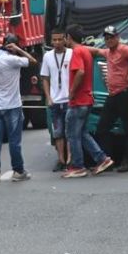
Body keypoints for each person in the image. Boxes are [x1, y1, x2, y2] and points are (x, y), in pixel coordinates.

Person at [82, 25, 128, 172]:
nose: (109, 40)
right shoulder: (108, 52)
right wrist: (77, 48)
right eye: (107, 38)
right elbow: (96, 51)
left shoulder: (123, 49)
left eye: (111, 37)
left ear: (117, 37)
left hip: (125, 93)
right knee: (102, 128)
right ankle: (107, 160)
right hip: (113, 95)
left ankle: (127, 162)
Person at [60, 25, 114, 178]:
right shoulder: (85, 50)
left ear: (69, 37)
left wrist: (71, 92)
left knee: (72, 134)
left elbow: (80, 72)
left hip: (78, 101)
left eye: (64, 37)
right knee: (82, 133)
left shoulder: (77, 52)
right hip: (87, 99)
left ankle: (78, 166)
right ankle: (102, 159)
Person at [0, 33, 37, 181]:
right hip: (12, 106)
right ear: (13, 46)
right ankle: (18, 171)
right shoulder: (14, 60)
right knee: (14, 141)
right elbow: (33, 62)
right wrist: (19, 50)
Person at [40, 28, 73, 171]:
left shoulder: (71, 54)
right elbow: (45, 79)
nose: (57, 42)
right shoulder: (47, 56)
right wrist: (48, 97)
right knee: (58, 132)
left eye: (60, 39)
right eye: (54, 40)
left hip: (69, 100)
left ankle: (70, 159)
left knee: (70, 132)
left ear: (65, 39)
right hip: (55, 101)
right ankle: (61, 159)